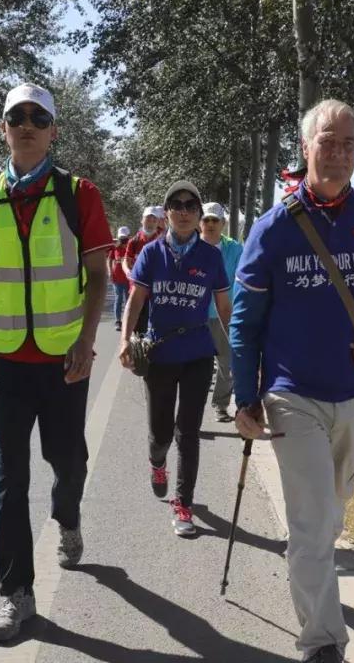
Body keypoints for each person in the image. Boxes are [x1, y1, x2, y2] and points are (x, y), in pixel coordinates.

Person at [229, 100, 354, 663]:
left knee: (330, 515)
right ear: (305, 147)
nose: (338, 154)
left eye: (349, 144)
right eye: (327, 142)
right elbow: (245, 323)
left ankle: (314, 576)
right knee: (311, 526)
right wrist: (245, 396)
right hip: (292, 396)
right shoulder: (273, 228)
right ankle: (323, 642)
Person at [0, 83, 114, 643]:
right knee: (8, 475)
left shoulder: (78, 194)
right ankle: (16, 594)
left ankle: (67, 516)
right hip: (1, 360)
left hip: (64, 358)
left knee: (68, 460)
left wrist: (86, 341)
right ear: (3, 129)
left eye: (37, 118)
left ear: (52, 131)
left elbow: (100, 277)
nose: (26, 125)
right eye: (16, 117)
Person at [118, 182, 232, 536]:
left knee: (189, 432)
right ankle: (157, 461)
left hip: (198, 354)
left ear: (198, 215)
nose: (183, 211)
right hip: (160, 354)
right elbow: (136, 300)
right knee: (161, 433)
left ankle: (183, 504)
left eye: (190, 205)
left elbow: (224, 307)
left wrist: (240, 346)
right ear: (166, 213)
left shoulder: (211, 257)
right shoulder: (152, 253)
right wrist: (125, 340)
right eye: (176, 205)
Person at [198, 202, 243, 422]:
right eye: (206, 220)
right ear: (200, 223)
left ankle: (220, 406)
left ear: (223, 223)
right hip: (196, 317)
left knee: (227, 364)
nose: (210, 224)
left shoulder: (235, 249)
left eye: (215, 220)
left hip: (225, 315)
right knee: (197, 367)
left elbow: (243, 281)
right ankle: (193, 410)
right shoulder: (191, 247)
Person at [121, 207, 165, 334]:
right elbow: (126, 260)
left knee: (155, 326)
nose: (150, 223)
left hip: (157, 290)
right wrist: (127, 271)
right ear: (142, 220)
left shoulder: (163, 240)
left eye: (154, 220)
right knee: (137, 326)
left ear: (158, 222)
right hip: (137, 289)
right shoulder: (134, 241)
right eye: (147, 219)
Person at [109, 226, 131, 330]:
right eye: (121, 238)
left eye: (124, 238)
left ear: (128, 237)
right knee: (118, 299)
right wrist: (110, 272)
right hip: (117, 278)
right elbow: (110, 260)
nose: (123, 240)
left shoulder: (131, 247)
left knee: (128, 300)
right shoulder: (115, 248)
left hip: (128, 278)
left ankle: (127, 320)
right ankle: (118, 321)